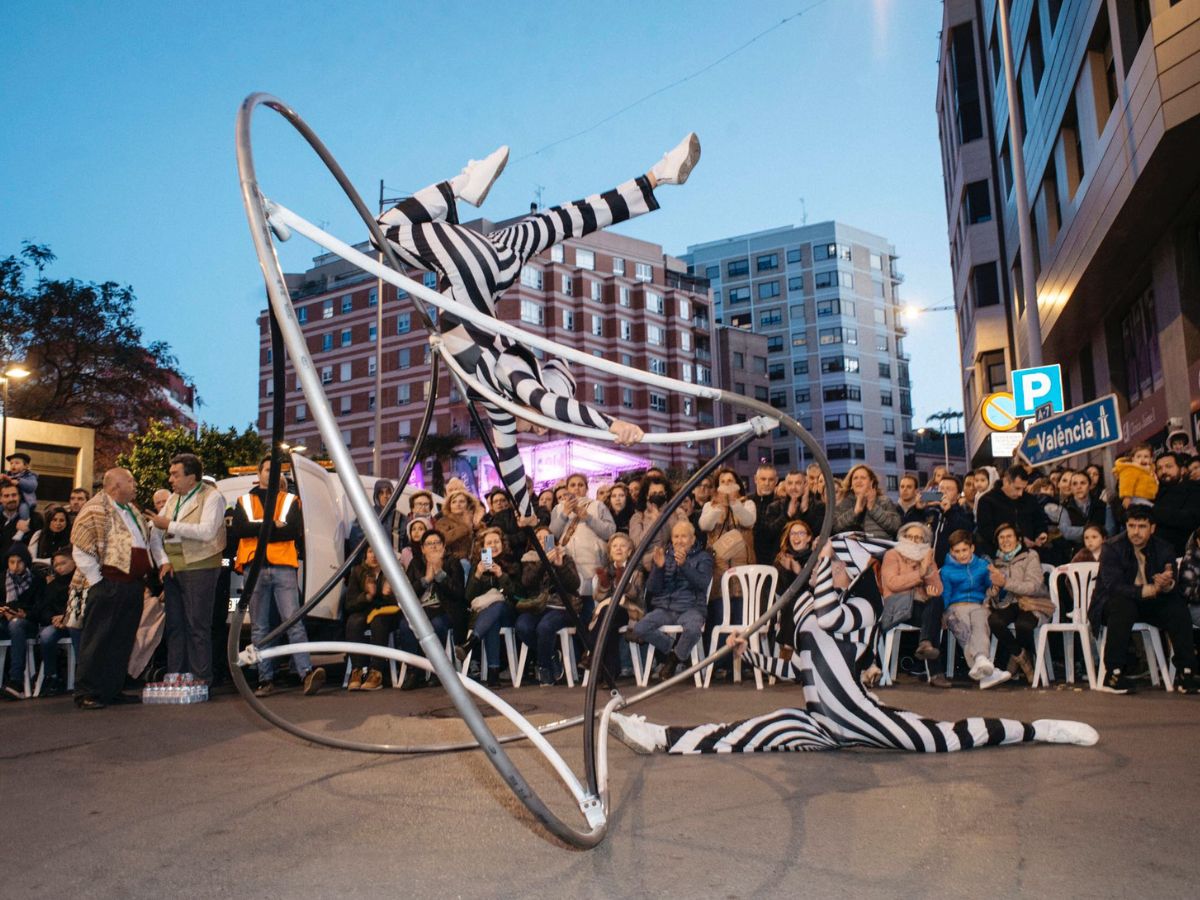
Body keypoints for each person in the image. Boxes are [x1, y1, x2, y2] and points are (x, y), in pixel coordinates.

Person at [374, 136, 703, 517]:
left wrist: (529, 515)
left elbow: (509, 459)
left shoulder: (496, 400)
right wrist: (613, 425)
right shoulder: (510, 374)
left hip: (485, 269)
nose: (541, 432)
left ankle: (658, 175)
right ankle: (462, 186)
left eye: (541, 429)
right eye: (544, 426)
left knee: (561, 220)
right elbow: (549, 403)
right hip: (471, 271)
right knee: (382, 230)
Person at [610, 538, 1098, 755]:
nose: (908, 576)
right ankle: (660, 738)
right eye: (902, 566)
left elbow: (828, 616)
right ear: (880, 563)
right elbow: (800, 666)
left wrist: (825, 569)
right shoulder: (846, 601)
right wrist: (751, 652)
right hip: (821, 721)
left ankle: (1035, 729)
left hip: (857, 717)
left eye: (914, 574)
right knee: (739, 734)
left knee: (941, 738)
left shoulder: (865, 608)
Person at [229, 457, 324, 697]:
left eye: (277, 471)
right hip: (254, 567)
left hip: (283, 566)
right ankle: (265, 679)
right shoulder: (244, 501)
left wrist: (259, 529)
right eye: (269, 469)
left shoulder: (291, 500)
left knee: (293, 622)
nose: (273, 474)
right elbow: (240, 530)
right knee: (260, 627)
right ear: (259, 472)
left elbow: (292, 530)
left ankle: (306, 673)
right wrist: (274, 526)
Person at [1091, 507, 1198, 694]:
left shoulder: (1165, 548)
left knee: (1177, 607)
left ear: (1152, 528)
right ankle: (1113, 674)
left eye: (1142, 526)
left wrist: (1168, 584)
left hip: (1150, 602)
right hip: (1112, 603)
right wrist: (1147, 589)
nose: (1135, 532)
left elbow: (1173, 584)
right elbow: (1114, 586)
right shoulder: (1112, 547)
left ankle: (1186, 672)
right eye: (1131, 526)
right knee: (1123, 606)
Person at [70, 467, 152, 709]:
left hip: (131, 584)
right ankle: (87, 692)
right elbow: (81, 547)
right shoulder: (96, 508)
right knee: (97, 639)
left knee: (121, 639)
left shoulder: (131, 510)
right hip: (108, 583)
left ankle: (112, 689)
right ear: (115, 485)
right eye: (130, 480)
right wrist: (99, 581)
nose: (135, 484)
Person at [147, 453, 227, 687]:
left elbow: (207, 532)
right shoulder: (173, 498)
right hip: (173, 569)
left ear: (191, 477)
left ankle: (201, 679)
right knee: (175, 625)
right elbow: (155, 534)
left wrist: (170, 525)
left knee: (197, 625)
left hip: (200, 566)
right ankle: (176, 677)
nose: (170, 479)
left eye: (175, 474)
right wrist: (162, 561)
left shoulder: (212, 497)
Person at [629, 520, 714, 682]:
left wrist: (684, 565)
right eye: (676, 536)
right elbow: (653, 588)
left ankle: (673, 660)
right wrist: (659, 568)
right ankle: (675, 651)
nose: (679, 540)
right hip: (665, 609)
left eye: (683, 536)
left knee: (693, 629)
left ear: (692, 539)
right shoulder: (665, 556)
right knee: (640, 628)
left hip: (692, 608)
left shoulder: (703, 557)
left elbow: (702, 583)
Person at [878, 522, 948, 687]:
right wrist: (920, 572)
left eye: (919, 538)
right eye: (911, 536)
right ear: (903, 537)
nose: (915, 540)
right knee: (933, 619)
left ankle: (925, 643)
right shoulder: (892, 555)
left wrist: (928, 570)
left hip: (922, 608)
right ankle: (936, 673)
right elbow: (893, 583)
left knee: (936, 601)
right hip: (897, 606)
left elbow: (938, 589)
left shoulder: (927, 558)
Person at [939, 530, 1011, 689]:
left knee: (980, 618)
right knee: (964, 626)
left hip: (979, 606)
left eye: (964, 550)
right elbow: (945, 596)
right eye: (957, 551)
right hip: (955, 607)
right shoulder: (946, 571)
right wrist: (941, 614)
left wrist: (999, 581)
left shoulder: (983, 566)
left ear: (972, 548)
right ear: (951, 552)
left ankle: (982, 667)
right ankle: (985, 666)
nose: (961, 554)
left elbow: (997, 590)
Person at [397, 529, 467, 688]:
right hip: (420, 610)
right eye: (429, 544)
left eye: (437, 543)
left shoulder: (453, 562)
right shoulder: (416, 563)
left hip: (445, 610)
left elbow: (458, 593)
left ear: (443, 546)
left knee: (437, 625)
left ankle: (438, 669)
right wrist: (426, 579)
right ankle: (414, 671)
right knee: (405, 626)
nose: (433, 547)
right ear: (422, 548)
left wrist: (440, 575)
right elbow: (407, 593)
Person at [516, 524, 582, 685]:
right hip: (537, 606)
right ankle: (552, 654)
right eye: (538, 538)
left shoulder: (565, 557)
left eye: (546, 538)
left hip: (562, 606)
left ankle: (544, 668)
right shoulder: (529, 559)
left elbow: (574, 585)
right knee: (522, 626)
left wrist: (559, 566)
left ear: (553, 540)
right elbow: (527, 583)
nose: (542, 541)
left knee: (545, 627)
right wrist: (543, 563)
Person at [986, 524, 1052, 685]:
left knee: (1024, 625)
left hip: (1032, 602)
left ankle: (1016, 663)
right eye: (1001, 537)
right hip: (1009, 604)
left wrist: (1005, 582)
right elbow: (993, 596)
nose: (1005, 540)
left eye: (1009, 536)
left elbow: (1033, 586)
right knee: (994, 621)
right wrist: (994, 591)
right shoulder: (996, 562)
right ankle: (1022, 658)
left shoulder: (1030, 555)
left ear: (1018, 539)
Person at [585, 532, 646, 684]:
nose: (618, 549)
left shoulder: (636, 571)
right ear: (610, 552)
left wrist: (622, 580)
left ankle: (592, 655)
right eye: (615, 546)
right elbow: (598, 597)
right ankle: (610, 673)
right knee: (608, 626)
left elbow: (635, 595)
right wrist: (605, 585)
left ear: (629, 551)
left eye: (623, 546)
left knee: (607, 615)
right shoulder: (605, 571)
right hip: (608, 613)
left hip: (629, 610)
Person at [549, 472, 615, 613]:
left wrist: (588, 518)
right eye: (572, 485)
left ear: (586, 488)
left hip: (593, 564)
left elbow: (610, 532)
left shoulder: (598, 505)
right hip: (568, 567)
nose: (577, 488)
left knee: (590, 609)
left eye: (580, 485)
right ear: (567, 489)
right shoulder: (558, 509)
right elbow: (550, 536)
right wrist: (564, 514)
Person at [463, 526, 518, 688]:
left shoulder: (512, 564)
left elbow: (515, 594)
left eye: (496, 542)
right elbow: (468, 598)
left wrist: (501, 575)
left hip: (508, 612)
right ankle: (493, 674)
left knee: (498, 604)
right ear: (482, 548)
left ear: (503, 544)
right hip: (484, 616)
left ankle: (471, 642)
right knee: (492, 621)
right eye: (489, 543)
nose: (493, 546)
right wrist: (478, 575)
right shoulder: (477, 566)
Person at [343, 546, 397, 691]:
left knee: (378, 622)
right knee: (353, 621)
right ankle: (357, 670)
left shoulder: (392, 571)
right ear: (365, 554)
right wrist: (367, 596)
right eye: (370, 551)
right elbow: (349, 604)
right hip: (363, 611)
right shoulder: (357, 571)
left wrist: (387, 595)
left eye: (377, 551)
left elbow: (399, 602)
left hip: (386, 613)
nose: (374, 555)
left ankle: (376, 671)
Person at [699, 468, 756, 595]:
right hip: (718, 571)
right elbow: (705, 526)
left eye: (730, 481)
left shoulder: (747, 503)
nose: (726, 484)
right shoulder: (710, 506)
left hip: (743, 570)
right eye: (722, 482)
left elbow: (748, 521)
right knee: (720, 611)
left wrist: (735, 503)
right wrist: (720, 506)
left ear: (738, 485)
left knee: (741, 612)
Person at [0, 544, 46, 699]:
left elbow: (41, 609)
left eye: (19, 562)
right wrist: (3, 612)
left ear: (26, 562)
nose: (15, 566)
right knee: (12, 623)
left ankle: (16, 680)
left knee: (16, 624)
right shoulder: (2, 579)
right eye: (11, 562)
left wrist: (24, 614)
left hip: (28, 623)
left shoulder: (37, 580)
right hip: (5, 620)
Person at [29, 548, 77, 695]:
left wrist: (66, 616)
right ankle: (52, 676)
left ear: (74, 562)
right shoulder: (51, 586)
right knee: (46, 635)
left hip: (77, 621)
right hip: (56, 623)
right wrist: (53, 618)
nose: (59, 567)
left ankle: (82, 674)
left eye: (63, 563)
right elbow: (42, 609)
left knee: (78, 631)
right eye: (56, 565)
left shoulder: (82, 581)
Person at [974, 465, 1047, 557]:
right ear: (1005, 482)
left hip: (1030, 555)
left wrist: (1041, 534)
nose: (1020, 493)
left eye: (1023, 489)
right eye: (1017, 488)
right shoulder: (987, 501)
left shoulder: (1030, 500)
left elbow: (1039, 521)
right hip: (999, 557)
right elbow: (985, 531)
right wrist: (1016, 540)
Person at [771, 519, 814, 654]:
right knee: (792, 602)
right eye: (792, 534)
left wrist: (799, 573)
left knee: (796, 602)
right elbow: (781, 592)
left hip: (812, 604)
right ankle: (788, 649)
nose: (796, 537)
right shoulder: (783, 558)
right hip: (788, 605)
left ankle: (787, 649)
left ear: (808, 538)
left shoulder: (815, 557)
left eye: (801, 533)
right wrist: (788, 571)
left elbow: (813, 587)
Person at [628, 476, 686, 573]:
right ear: (647, 495)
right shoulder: (638, 517)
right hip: (646, 569)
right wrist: (653, 522)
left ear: (666, 494)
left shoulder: (677, 512)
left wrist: (664, 517)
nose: (657, 496)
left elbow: (684, 538)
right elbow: (637, 544)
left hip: (673, 565)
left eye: (660, 493)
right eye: (654, 493)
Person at [833, 464, 901, 539]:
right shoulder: (844, 503)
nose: (859, 481)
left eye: (863, 478)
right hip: (851, 547)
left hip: (880, 546)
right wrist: (855, 511)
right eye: (855, 478)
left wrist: (873, 507)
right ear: (851, 484)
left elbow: (895, 526)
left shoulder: (884, 501)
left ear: (871, 482)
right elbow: (834, 528)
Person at [1151, 452, 1200, 556]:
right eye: (1159, 468)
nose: (1163, 471)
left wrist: (1154, 511)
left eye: (1169, 466)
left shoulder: (1194, 488)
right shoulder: (1153, 495)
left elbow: (1190, 519)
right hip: (1158, 558)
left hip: (1187, 555)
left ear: (1182, 470)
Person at [929, 474, 974, 566]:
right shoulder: (932, 510)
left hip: (953, 566)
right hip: (929, 565)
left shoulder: (965, 512)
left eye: (949, 489)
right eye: (941, 488)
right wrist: (917, 509)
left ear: (958, 495)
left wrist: (949, 512)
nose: (944, 492)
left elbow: (966, 530)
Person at [748, 464, 781, 564]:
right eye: (763, 479)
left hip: (774, 560)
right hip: (750, 560)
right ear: (755, 479)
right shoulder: (746, 502)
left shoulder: (782, 504)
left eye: (771, 480)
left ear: (776, 481)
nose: (767, 483)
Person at [0, 482, 43, 557]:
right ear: (0, 499)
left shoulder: (34, 518)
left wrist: (27, 532)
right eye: (6, 496)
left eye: (14, 495)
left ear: (19, 496)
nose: (11, 499)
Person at [435, 488, 479, 562]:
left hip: (477, 562)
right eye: (454, 502)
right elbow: (443, 539)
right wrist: (465, 527)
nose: (458, 504)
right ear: (449, 506)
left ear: (468, 504)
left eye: (462, 501)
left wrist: (487, 563)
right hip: (455, 563)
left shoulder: (477, 521)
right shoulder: (443, 522)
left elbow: (486, 544)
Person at [1113, 443, 1157, 510]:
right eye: (1138, 457)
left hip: (1146, 498)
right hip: (1135, 499)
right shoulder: (1131, 469)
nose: (1142, 459)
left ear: (1151, 459)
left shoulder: (1149, 470)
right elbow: (1126, 483)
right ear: (1133, 459)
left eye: (1146, 457)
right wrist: (1127, 497)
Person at [29, 505, 71, 572]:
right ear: (49, 521)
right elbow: (31, 558)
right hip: (37, 573)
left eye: (62, 520)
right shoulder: (38, 534)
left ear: (66, 522)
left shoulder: (71, 538)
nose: (58, 523)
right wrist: (50, 561)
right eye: (54, 520)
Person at [4, 451, 39, 521]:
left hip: (24, 501)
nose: (13, 465)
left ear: (26, 466)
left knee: (24, 510)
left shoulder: (29, 475)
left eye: (17, 463)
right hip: (10, 499)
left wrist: (19, 482)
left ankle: (23, 526)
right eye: (11, 463)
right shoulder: (8, 475)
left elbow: (32, 486)